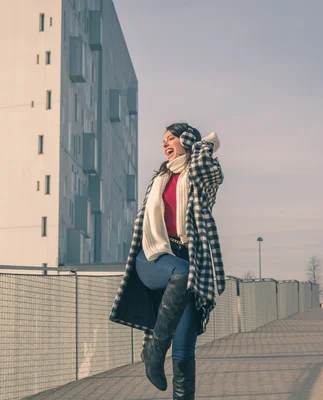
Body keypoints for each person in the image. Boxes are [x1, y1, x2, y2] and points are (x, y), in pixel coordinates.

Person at [109, 122, 225, 400]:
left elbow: (207, 170)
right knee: (183, 274)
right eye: (163, 140)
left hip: (187, 263)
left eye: (171, 138)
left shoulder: (199, 176)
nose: (164, 144)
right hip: (153, 257)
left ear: (186, 141)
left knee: (185, 348)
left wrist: (202, 145)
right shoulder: (160, 178)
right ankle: (154, 351)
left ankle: (163, 364)